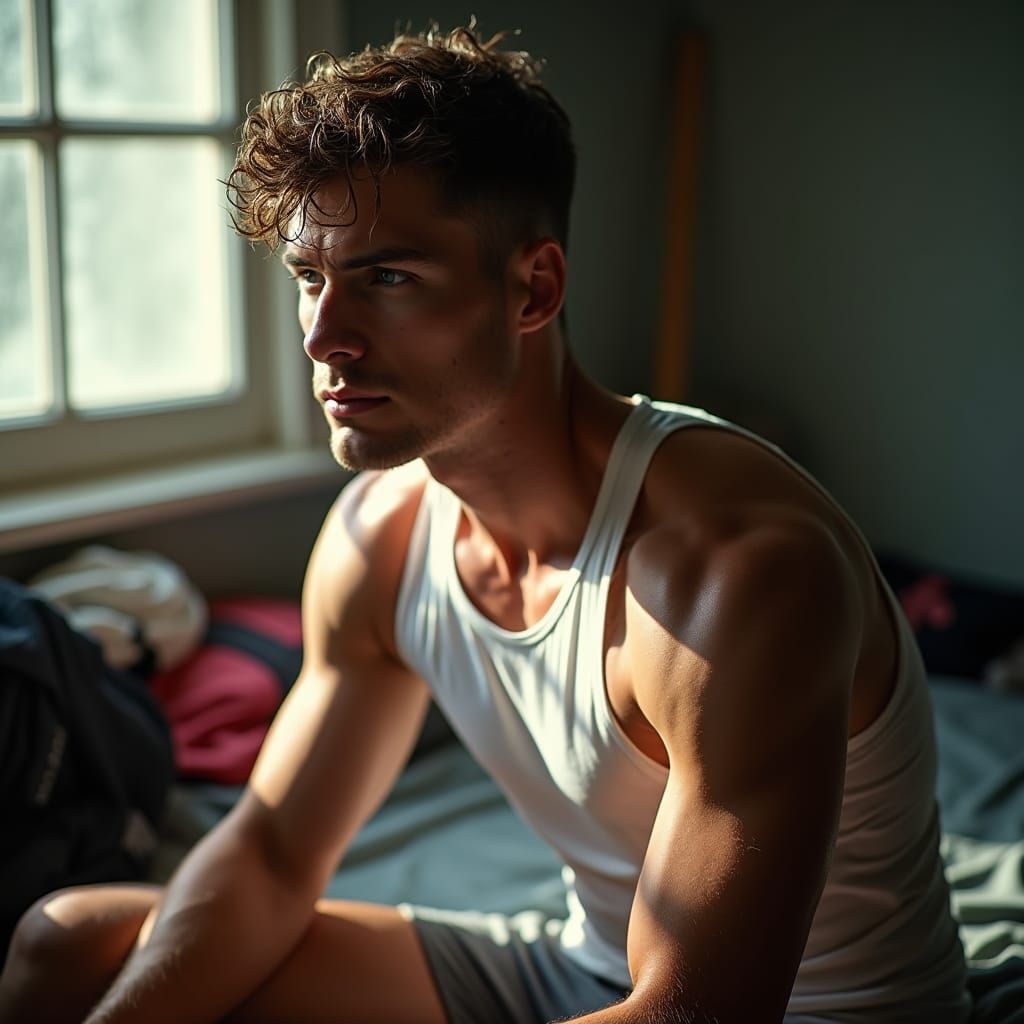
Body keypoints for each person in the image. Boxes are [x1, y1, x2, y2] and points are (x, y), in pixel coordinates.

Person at [0, 24, 971, 1024]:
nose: (326, 339)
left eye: (387, 277)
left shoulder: (734, 571)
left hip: (790, 1014)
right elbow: (273, 851)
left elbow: (696, 1014)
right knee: (67, 946)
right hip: (579, 974)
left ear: (533, 288)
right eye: (308, 278)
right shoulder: (379, 537)